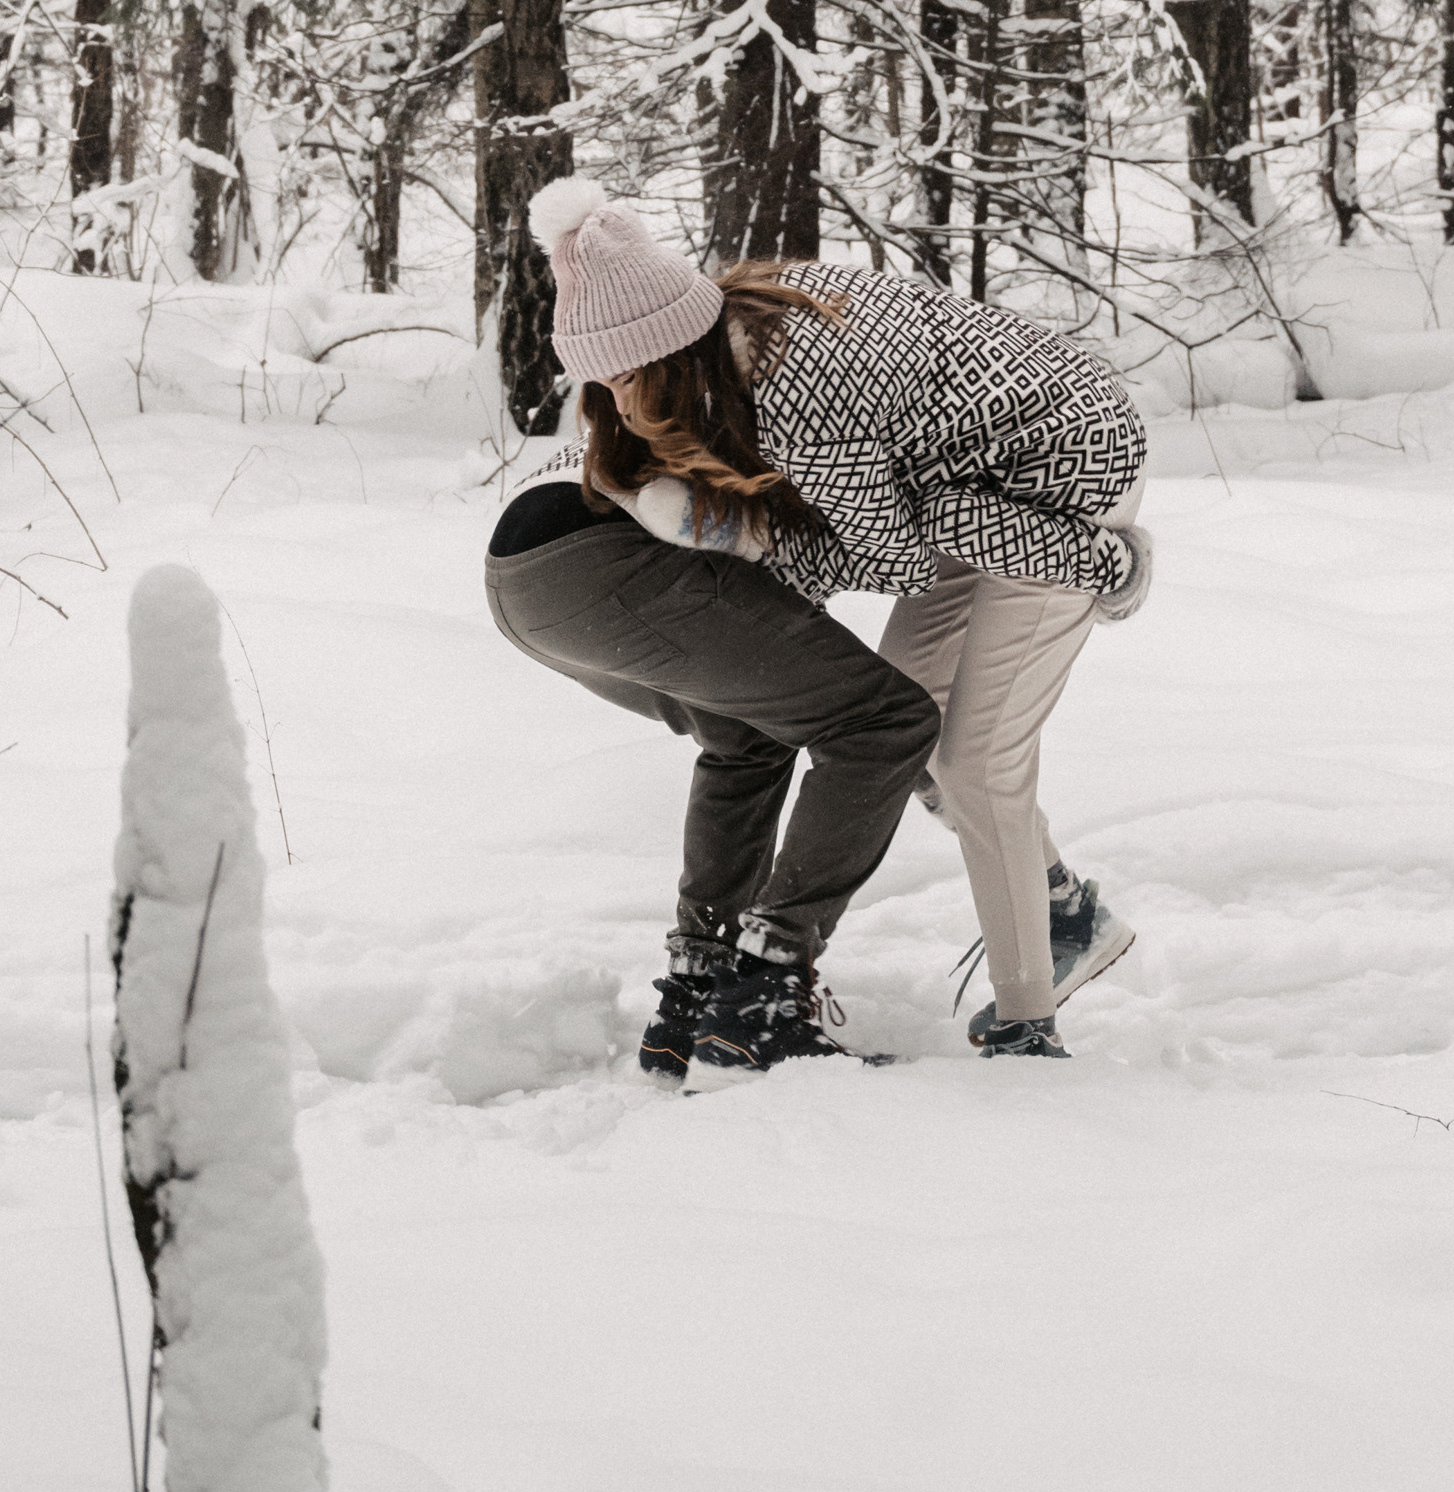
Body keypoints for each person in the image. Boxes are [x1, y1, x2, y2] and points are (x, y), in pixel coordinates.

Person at [541, 183, 1152, 1072]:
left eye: (629, 378)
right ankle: (1062, 909)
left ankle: (1029, 1024)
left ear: (675, 352)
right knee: (912, 733)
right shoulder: (734, 323)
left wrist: (748, 542)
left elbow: (894, 555)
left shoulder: (800, 399)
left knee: (977, 761)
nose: (621, 405)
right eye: (601, 382)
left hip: (1063, 474)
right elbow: (897, 520)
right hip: (962, 483)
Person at [484, 375, 941, 1086]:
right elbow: (867, 551)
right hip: (608, 562)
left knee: (746, 735)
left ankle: (694, 1000)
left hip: (525, 579)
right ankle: (763, 995)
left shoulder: (695, 374)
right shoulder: (804, 399)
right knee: (886, 721)